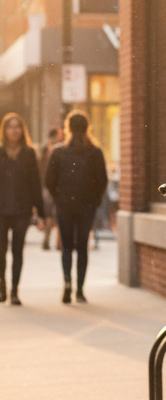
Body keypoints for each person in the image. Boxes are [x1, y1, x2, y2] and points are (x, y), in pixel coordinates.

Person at [44, 112, 107, 304]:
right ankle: (79, 290)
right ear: (88, 128)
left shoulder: (59, 152)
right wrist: (95, 200)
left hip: (64, 205)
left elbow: (49, 181)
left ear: (67, 128)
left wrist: (58, 198)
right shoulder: (95, 152)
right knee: (82, 247)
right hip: (86, 205)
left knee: (66, 247)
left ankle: (67, 283)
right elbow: (102, 180)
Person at [0, 113, 44, 306]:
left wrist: (41, 211)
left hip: (22, 210)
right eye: (10, 126)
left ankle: (15, 291)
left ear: (22, 129)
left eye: (17, 126)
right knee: (0, 251)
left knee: (18, 251)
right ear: (4, 130)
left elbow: (35, 183)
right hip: (1, 210)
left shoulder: (28, 153)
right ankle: (2, 286)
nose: (14, 130)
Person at [37, 128, 60, 251]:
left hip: (48, 187)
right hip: (49, 187)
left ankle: (51, 240)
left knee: (50, 215)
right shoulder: (50, 150)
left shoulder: (47, 149)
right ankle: (51, 240)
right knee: (51, 215)